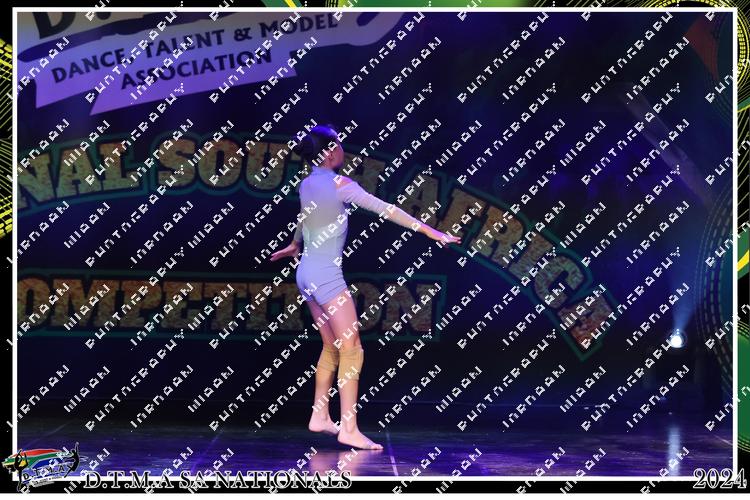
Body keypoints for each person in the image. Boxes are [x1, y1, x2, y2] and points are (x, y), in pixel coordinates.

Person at [270, 124, 461, 450]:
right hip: (326, 276)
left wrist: (294, 244)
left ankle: (319, 415)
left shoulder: (306, 183)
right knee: (353, 348)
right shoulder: (341, 185)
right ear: (329, 151)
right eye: (338, 144)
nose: (342, 149)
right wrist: (433, 233)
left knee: (331, 345)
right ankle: (349, 428)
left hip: (305, 274)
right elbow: (388, 210)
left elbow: (305, 215)